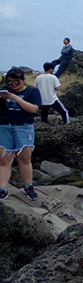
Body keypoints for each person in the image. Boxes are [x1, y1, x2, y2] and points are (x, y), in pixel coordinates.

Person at [0, 67, 42, 201]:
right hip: (4, 127)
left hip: (24, 128)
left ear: (23, 80)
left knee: (24, 159)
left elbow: (33, 109)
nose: (13, 84)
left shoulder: (32, 91)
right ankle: (2, 189)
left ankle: (28, 187)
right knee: (4, 160)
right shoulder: (4, 92)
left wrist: (14, 98)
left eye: (16, 81)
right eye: (10, 81)